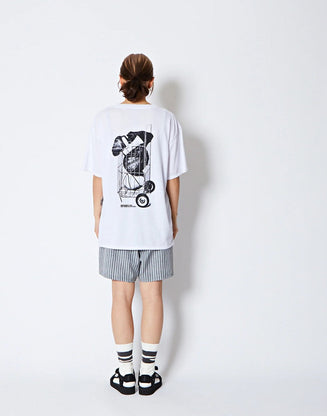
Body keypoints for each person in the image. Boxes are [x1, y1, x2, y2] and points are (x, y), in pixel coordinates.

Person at [82, 53, 188, 395]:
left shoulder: (103, 119)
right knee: (153, 297)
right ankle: (148, 373)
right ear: (151, 83)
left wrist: (98, 217)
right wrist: (173, 217)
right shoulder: (167, 120)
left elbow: (99, 177)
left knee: (120, 298)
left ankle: (126, 372)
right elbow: (172, 179)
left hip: (116, 229)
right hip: (155, 227)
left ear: (121, 80)